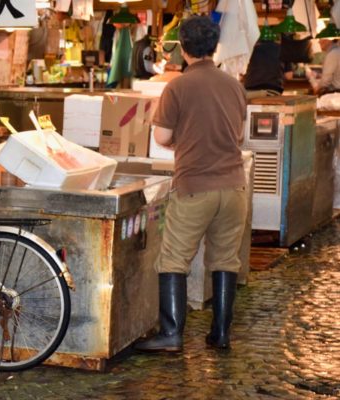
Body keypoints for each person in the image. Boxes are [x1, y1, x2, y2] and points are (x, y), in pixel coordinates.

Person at [134, 16, 248, 353]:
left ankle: (171, 335)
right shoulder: (234, 85)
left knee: (172, 261)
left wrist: (181, 141)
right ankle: (221, 334)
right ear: (214, 47)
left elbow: (163, 136)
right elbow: (238, 135)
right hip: (234, 187)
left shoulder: (178, 87)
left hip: (195, 185)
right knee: (226, 260)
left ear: (183, 49)